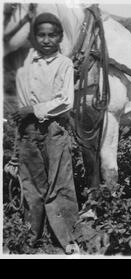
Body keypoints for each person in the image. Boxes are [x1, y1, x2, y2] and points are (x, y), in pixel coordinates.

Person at [11, 12, 79, 254]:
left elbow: (66, 101)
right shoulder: (27, 65)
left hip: (53, 130)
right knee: (31, 184)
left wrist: (34, 109)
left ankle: (67, 238)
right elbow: (19, 98)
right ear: (34, 37)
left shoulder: (64, 64)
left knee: (59, 184)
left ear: (60, 37)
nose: (47, 40)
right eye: (41, 35)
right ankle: (31, 234)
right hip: (28, 131)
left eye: (52, 35)